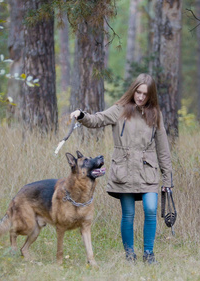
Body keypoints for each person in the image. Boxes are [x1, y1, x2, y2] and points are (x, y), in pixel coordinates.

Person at [70, 73, 174, 264]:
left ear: (151, 95)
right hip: (123, 171)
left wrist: (168, 180)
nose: (141, 97)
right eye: (138, 92)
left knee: (151, 209)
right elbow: (97, 120)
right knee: (128, 214)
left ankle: (148, 254)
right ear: (133, 90)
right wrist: (82, 116)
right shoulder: (119, 110)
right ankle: (129, 255)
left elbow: (163, 149)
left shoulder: (155, 115)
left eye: (145, 94)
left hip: (147, 171)